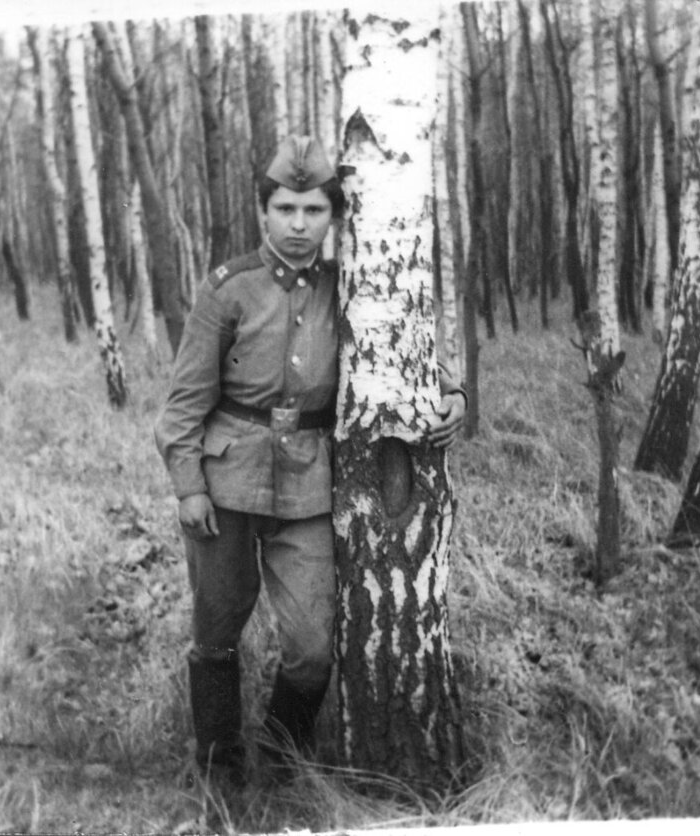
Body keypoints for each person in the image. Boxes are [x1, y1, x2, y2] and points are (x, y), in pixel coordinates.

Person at [154, 136, 466, 787]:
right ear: (264, 211)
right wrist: (189, 487)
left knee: (312, 650)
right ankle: (219, 767)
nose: (300, 226)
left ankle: (279, 752)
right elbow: (183, 406)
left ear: (334, 217)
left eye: (315, 211)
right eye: (287, 209)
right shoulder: (228, 290)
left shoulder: (348, 286)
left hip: (307, 491)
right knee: (216, 633)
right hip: (225, 485)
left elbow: (402, 353)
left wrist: (453, 393)